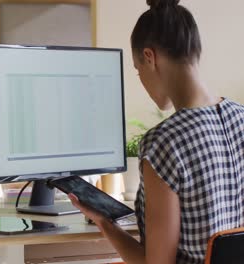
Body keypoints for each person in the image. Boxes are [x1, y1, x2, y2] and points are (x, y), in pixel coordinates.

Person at [68, 0, 244, 263]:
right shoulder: (241, 118)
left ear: (150, 58)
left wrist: (105, 223)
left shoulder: (164, 143)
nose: (142, 80)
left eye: (139, 71)